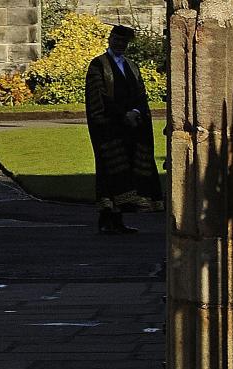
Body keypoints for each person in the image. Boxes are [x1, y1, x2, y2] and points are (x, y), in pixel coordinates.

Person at [85, 24, 164, 234]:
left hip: (131, 127)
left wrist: (137, 112)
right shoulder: (98, 65)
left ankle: (118, 220)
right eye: (117, 40)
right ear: (110, 39)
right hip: (110, 127)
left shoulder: (132, 66)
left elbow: (141, 94)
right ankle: (106, 218)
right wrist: (122, 115)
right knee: (110, 170)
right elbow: (99, 97)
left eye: (124, 41)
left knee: (128, 171)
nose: (120, 44)